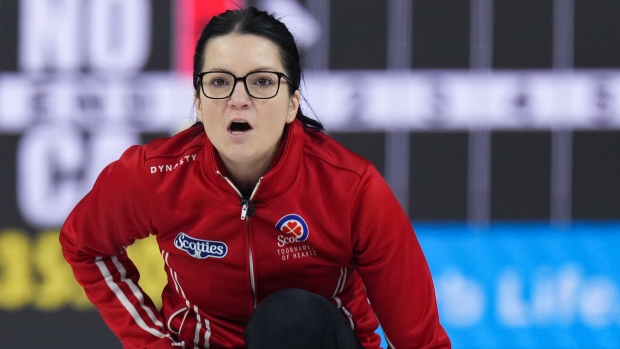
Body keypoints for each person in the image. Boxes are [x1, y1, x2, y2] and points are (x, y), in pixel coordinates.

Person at [60, 6, 451, 349]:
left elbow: (420, 341)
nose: (238, 98)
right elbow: (84, 245)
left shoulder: (352, 187)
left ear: (291, 105)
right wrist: (152, 343)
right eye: (219, 82)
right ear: (197, 102)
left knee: (287, 319)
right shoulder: (153, 175)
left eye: (262, 82)